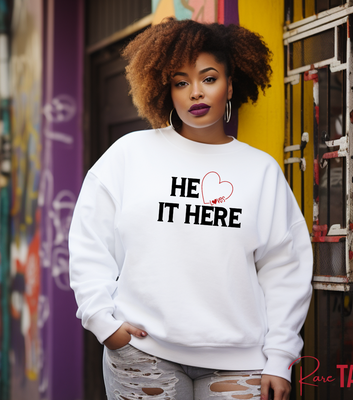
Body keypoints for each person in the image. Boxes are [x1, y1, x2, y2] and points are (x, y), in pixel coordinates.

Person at [69, 18, 313, 400]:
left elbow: (285, 267)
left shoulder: (260, 170)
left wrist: (280, 356)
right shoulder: (130, 154)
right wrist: (103, 321)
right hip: (143, 353)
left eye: (209, 78)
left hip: (241, 360)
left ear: (230, 84)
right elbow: (89, 241)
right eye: (181, 82)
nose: (195, 92)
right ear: (166, 88)